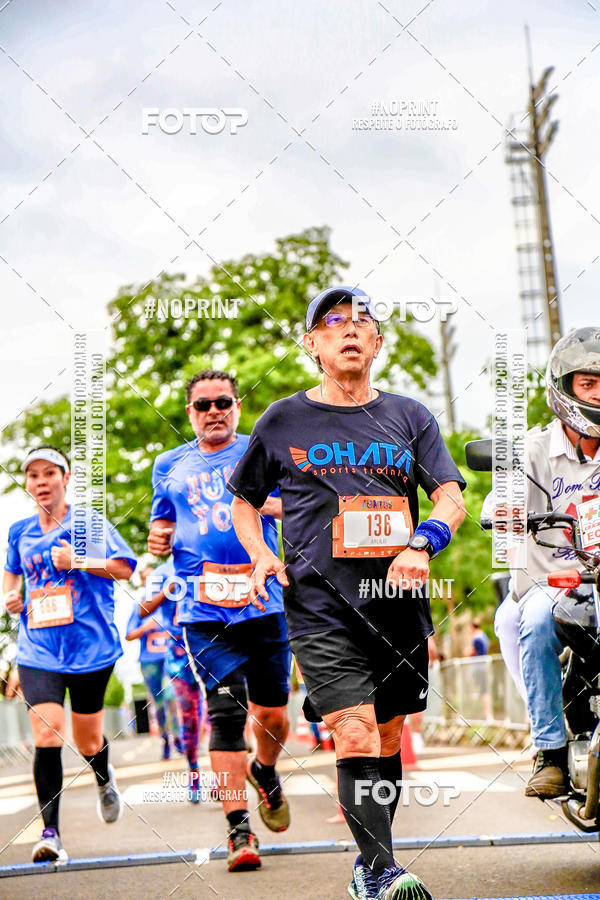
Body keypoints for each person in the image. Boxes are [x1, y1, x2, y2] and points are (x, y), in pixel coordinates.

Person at [228, 286, 466, 900]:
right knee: (353, 730)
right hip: (319, 608)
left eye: (362, 321)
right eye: (333, 323)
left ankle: (372, 861)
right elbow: (245, 502)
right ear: (312, 344)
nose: (350, 329)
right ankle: (382, 870)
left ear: (379, 343)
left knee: (387, 735)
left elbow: (450, 494)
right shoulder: (281, 420)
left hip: (398, 603)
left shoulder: (410, 416)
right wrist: (259, 556)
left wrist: (423, 543)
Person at [147, 369, 291, 872]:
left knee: (273, 716)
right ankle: (239, 832)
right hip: (202, 608)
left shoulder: (262, 449)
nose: (214, 412)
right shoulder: (168, 464)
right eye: (203, 404)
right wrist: (158, 540)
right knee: (226, 716)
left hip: (264, 599)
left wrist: (256, 504)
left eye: (223, 403)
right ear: (190, 413)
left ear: (236, 406)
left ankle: (265, 770)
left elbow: (294, 505)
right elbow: (162, 522)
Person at [2, 446, 136, 862]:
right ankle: (51, 834)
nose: (41, 482)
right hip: (39, 648)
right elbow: (13, 575)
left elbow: (124, 567)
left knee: (89, 739)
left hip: (90, 648)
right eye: (33, 476)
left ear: (66, 477)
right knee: (47, 732)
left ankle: (103, 778)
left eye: (49, 473)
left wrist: (78, 559)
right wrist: (12, 595)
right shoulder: (19, 530)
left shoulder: (86, 523)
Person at [491, 328, 600, 797]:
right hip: (556, 580)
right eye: (588, 383)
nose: (599, 392)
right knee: (531, 619)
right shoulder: (535, 449)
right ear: (565, 386)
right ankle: (551, 751)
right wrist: (507, 512)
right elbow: (502, 502)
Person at [139, 558, 207, 802]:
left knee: (221, 711)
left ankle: (226, 773)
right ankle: (194, 773)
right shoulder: (161, 571)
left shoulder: (210, 551)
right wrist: (166, 590)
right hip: (179, 651)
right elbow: (142, 610)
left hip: (216, 642)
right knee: (188, 716)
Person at [125, 566, 175, 760]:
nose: (150, 581)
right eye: (146, 579)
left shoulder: (171, 601)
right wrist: (146, 627)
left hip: (171, 658)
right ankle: (165, 739)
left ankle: (180, 737)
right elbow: (129, 635)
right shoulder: (139, 607)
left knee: (172, 697)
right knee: (160, 703)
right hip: (149, 663)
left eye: (154, 578)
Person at [466, 619, 491, 721]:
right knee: (483, 690)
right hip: (483, 667)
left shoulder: (477, 638)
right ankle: (485, 713)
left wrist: (467, 652)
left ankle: (482, 714)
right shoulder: (484, 637)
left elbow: (470, 652)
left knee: (480, 691)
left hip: (478, 668)